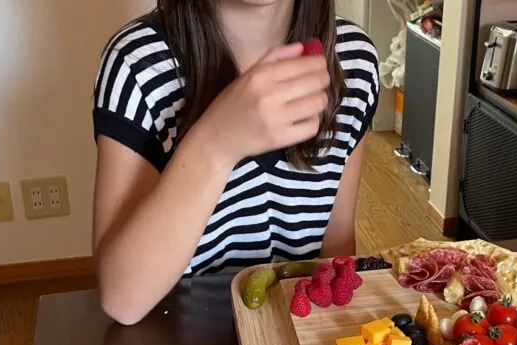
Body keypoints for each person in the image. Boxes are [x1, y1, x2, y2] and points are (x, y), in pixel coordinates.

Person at [91, 0, 379, 325]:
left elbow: (337, 246)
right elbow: (122, 297)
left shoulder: (355, 60)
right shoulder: (137, 64)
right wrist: (216, 143)